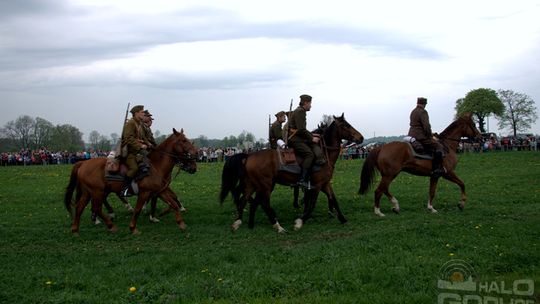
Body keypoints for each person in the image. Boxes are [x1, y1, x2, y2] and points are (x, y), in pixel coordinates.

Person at [288, 94, 325, 188]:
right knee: (310, 154)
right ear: (305, 103)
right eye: (310, 103)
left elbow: (301, 129)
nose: (311, 105)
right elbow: (301, 130)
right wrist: (312, 138)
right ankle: (302, 180)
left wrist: (312, 134)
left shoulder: (299, 111)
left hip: (297, 138)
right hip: (295, 140)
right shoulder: (300, 111)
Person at [408, 97, 446, 177]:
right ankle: (437, 168)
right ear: (424, 104)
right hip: (421, 136)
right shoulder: (423, 112)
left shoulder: (413, 111)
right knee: (439, 146)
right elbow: (426, 126)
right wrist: (430, 135)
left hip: (411, 134)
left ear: (417, 103)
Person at [121, 105, 149, 196]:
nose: (143, 113)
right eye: (142, 112)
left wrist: (149, 144)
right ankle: (124, 189)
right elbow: (128, 138)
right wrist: (140, 146)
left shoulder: (139, 123)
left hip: (137, 152)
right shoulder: (131, 123)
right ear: (136, 113)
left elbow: (142, 138)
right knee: (134, 168)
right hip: (130, 152)